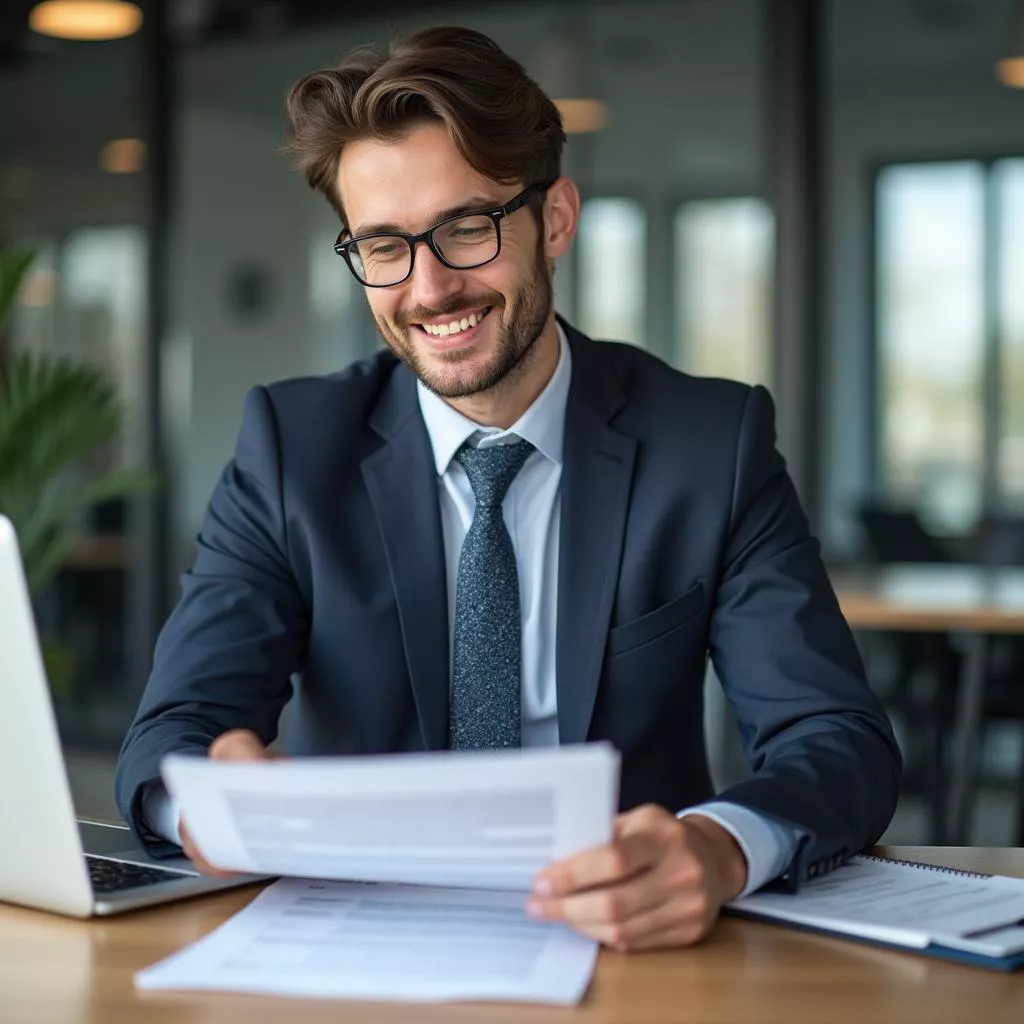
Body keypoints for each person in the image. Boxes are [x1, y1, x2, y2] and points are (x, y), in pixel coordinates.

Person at [116, 25, 901, 952]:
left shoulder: (709, 443)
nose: (430, 288)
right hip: (358, 945)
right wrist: (205, 799)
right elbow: (171, 732)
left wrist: (720, 848)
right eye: (384, 247)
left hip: (630, 948)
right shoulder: (291, 448)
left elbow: (836, 738)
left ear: (556, 218)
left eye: (465, 228)